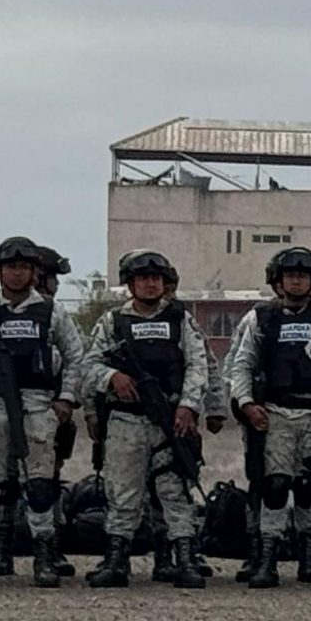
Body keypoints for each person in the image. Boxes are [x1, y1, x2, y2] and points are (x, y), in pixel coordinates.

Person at [0, 236, 90, 587]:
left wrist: (66, 398)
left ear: (33, 272)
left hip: (37, 402)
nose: (17, 274)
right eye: (11, 267)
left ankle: (44, 558)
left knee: (41, 486)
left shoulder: (51, 311)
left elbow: (76, 356)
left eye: (24, 268)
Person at [225, 244, 311, 589]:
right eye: (290, 276)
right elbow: (241, 364)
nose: (296, 282)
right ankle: (267, 562)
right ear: (277, 282)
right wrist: (245, 403)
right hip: (276, 415)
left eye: (302, 276)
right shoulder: (262, 317)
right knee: (274, 487)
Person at [81, 249, 213, 589]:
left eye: (156, 278)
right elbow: (89, 366)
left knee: (174, 489)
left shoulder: (181, 320)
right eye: (143, 278)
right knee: (123, 492)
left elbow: (198, 365)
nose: (151, 284)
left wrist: (189, 406)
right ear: (130, 283)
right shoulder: (112, 322)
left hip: (170, 418)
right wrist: (113, 378)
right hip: (126, 421)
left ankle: (184, 558)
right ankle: (116, 561)